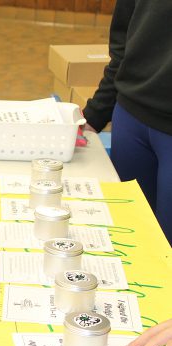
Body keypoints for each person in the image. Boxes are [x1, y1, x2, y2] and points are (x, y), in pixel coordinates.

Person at [82, 0, 172, 246]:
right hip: (131, 121)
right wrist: (94, 115)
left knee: (166, 250)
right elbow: (123, 45)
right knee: (128, 238)